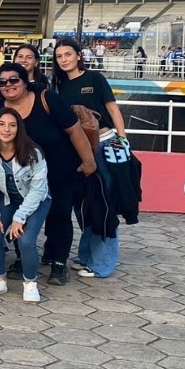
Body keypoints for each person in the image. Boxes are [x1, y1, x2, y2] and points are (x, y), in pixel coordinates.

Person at [0, 62, 96, 286]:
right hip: (22, 177)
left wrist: (89, 162)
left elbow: (75, 130)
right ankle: (23, 258)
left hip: (59, 169)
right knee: (19, 215)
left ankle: (58, 264)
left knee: (60, 215)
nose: (8, 85)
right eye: (2, 82)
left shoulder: (47, 99)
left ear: (24, 81)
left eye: (14, 80)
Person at [51, 38, 129, 279]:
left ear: (78, 55)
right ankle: (86, 256)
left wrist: (122, 138)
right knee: (83, 204)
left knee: (103, 204)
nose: (64, 59)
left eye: (68, 54)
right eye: (59, 56)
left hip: (105, 145)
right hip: (77, 150)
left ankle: (102, 264)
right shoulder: (59, 86)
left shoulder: (95, 79)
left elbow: (113, 109)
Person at [0, 107, 51, 303]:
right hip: (8, 197)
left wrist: (19, 218)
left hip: (36, 200)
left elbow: (38, 190)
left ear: (19, 128)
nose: (6, 129)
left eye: (12, 125)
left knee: (25, 240)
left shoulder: (33, 152)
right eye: (1, 124)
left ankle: (30, 282)